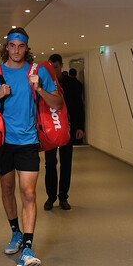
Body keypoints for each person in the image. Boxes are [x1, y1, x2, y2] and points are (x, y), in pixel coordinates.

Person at [0, 28, 62, 266]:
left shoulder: (37, 72)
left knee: (28, 193)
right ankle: (15, 233)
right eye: (13, 46)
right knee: (7, 189)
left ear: (26, 48)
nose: (17, 50)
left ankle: (28, 248)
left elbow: (57, 102)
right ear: (6, 47)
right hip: (2, 143)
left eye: (21, 46)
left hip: (29, 142)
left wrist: (40, 89)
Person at [43, 54, 85, 211]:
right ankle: (50, 197)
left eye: (56, 67)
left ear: (61, 66)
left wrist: (80, 127)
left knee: (66, 164)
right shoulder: (45, 84)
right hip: (50, 130)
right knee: (50, 164)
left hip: (67, 128)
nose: (53, 70)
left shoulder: (72, 84)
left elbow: (79, 107)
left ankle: (63, 197)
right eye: (51, 67)